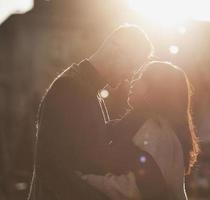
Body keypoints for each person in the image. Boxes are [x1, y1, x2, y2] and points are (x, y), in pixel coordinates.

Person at [27, 24, 167, 200]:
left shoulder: (85, 90)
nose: (129, 77)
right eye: (131, 66)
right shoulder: (70, 89)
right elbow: (52, 168)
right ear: (116, 50)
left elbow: (89, 147)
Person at [79, 61, 200, 199]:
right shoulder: (159, 128)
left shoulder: (154, 130)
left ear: (155, 88)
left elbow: (133, 189)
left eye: (142, 77)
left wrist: (84, 179)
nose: (133, 81)